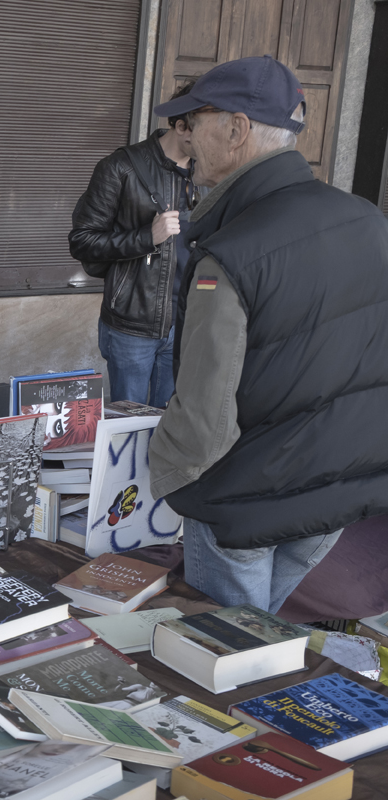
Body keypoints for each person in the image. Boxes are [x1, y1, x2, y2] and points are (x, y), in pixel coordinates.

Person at [148, 55, 388, 612]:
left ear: (236, 129)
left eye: (193, 122)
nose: (185, 137)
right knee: (265, 643)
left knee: (225, 654)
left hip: (244, 495)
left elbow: (204, 414)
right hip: (339, 486)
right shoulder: (369, 221)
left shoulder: (232, 251)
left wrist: (170, 473)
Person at [69, 82, 202, 407]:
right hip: (132, 325)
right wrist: (147, 237)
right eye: (207, 129)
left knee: (167, 424)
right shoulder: (121, 168)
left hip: (187, 321)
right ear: (181, 125)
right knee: (127, 425)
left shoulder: (209, 174)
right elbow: (82, 242)